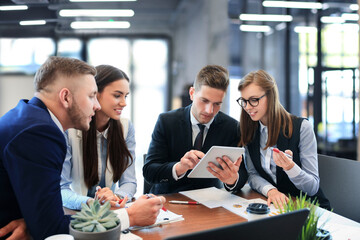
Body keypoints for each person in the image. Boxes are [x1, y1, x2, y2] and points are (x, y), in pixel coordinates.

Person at [0, 57, 165, 240]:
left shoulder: (28, 117)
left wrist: (33, 224)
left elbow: (43, 219)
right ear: (66, 97)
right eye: (91, 96)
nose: (96, 105)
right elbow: (52, 231)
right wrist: (130, 216)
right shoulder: (41, 133)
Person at [143, 65, 248, 194]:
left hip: (210, 200)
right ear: (192, 93)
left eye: (217, 104)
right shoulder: (167, 121)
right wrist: (180, 167)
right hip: (169, 198)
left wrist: (232, 179)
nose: (209, 111)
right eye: (204, 101)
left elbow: (243, 173)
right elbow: (149, 171)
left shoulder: (232, 127)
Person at [237, 69, 330, 210]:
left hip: (308, 208)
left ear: (270, 96)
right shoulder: (250, 129)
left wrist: (290, 168)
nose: (248, 107)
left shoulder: (301, 127)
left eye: (254, 100)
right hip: (276, 207)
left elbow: (312, 187)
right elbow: (252, 174)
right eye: (244, 101)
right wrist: (270, 190)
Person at [61, 65, 136, 210]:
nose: (124, 103)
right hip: (75, 211)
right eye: (117, 95)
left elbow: (129, 182)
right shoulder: (69, 129)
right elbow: (61, 189)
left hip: (110, 210)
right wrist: (92, 202)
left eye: (125, 96)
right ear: (95, 94)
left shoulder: (126, 127)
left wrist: (116, 197)